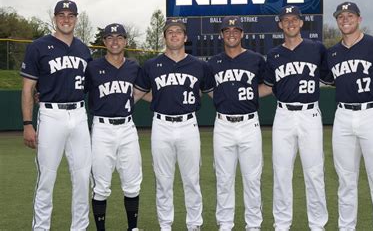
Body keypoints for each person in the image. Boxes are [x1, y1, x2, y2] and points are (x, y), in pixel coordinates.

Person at [21, 0, 92, 230]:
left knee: (82, 177)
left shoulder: (83, 49)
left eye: (71, 15)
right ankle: (41, 228)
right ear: (54, 18)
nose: (66, 19)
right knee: (47, 178)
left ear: (76, 19)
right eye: (61, 14)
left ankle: (79, 227)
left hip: (79, 114)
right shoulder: (38, 46)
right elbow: (28, 88)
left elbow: (90, 84)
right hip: (51, 115)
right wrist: (27, 123)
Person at [134, 19, 211, 231]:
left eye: (178, 32)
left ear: (185, 37)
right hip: (161, 125)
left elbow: (212, 92)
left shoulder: (199, 65)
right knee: (163, 180)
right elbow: (137, 94)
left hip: (188, 124)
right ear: (165, 37)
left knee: (192, 179)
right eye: (170, 32)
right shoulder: (151, 65)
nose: (174, 35)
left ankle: (194, 224)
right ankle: (165, 225)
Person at [326, 2, 373, 230]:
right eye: (341, 16)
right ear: (337, 20)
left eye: (350, 15)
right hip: (343, 116)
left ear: (359, 18)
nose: (345, 19)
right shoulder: (332, 53)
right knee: (345, 181)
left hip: (372, 114)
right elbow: (331, 79)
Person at [259, 5, 329, 231]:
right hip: (284, 115)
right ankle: (281, 224)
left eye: (294, 19)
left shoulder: (317, 48)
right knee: (281, 172)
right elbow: (268, 87)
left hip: (310, 113)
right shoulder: (273, 54)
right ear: (279, 24)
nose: (290, 23)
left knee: (314, 172)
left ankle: (317, 225)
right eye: (285, 20)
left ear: (301, 22)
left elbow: (329, 78)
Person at [206, 16, 265, 231]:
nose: (231, 33)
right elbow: (209, 89)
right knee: (223, 178)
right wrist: (225, 98)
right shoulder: (213, 62)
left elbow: (268, 86)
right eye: (227, 30)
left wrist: (249, 97)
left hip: (250, 123)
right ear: (221, 34)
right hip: (223, 125)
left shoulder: (256, 59)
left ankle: (253, 225)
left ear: (242, 34)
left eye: (235, 30)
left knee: (252, 178)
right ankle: (225, 224)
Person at [85, 23, 142, 231]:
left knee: (132, 182)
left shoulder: (134, 67)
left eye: (119, 37)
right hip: (102, 128)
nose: (115, 41)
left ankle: (132, 228)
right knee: (100, 185)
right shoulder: (92, 67)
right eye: (110, 37)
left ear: (126, 41)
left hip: (127, 128)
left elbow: (145, 91)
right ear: (104, 42)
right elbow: (74, 88)